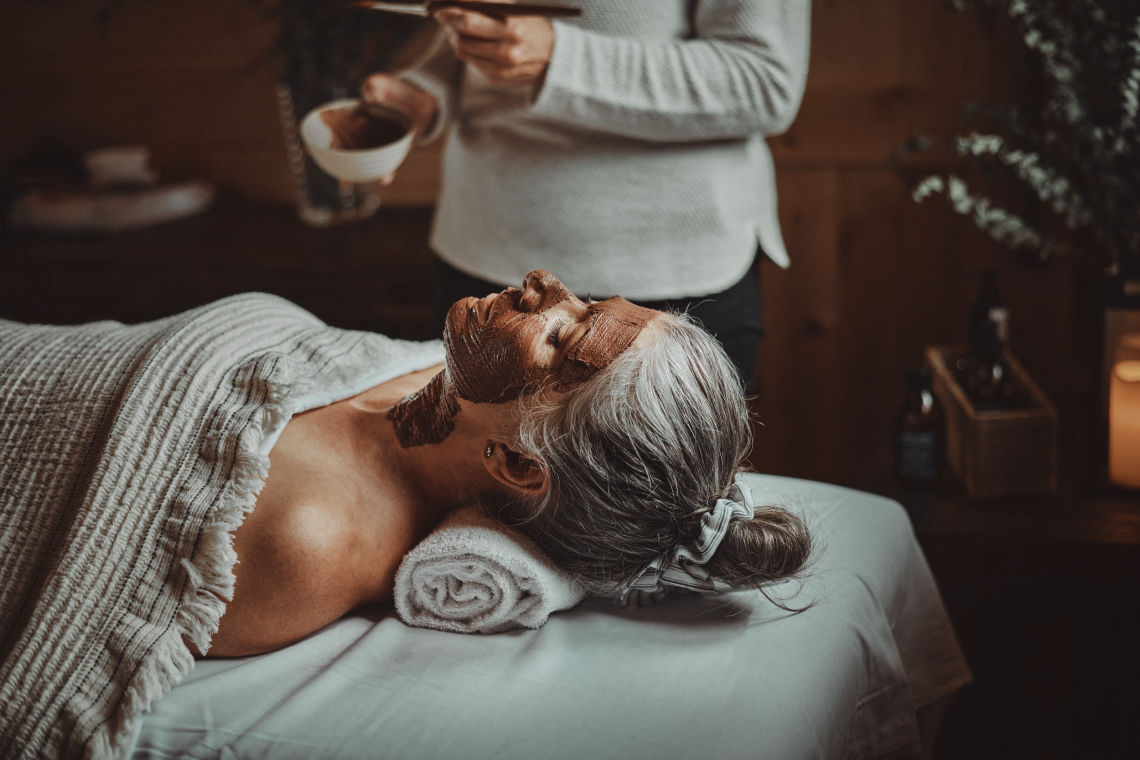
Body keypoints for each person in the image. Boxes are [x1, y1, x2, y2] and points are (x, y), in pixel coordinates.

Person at [206, 270, 811, 656]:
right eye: (586, 301)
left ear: (520, 466)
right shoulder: (427, 368)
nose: (543, 283)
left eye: (561, 338)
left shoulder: (304, 540)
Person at [361, 1, 812, 388]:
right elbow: (490, 24)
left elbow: (765, 82)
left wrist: (561, 57)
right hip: (479, 264)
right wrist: (427, 88)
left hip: (668, 285)